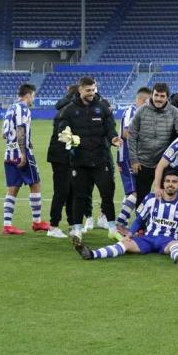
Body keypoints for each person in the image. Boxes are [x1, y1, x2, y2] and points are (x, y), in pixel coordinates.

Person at [72, 170, 178, 264]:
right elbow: (139, 219)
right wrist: (129, 234)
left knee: (175, 245)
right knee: (124, 244)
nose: (170, 184)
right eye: (167, 181)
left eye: (174, 182)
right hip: (147, 239)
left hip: (167, 241)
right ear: (163, 183)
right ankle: (92, 254)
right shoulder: (150, 198)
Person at [56, 77, 121, 240]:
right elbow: (61, 130)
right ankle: (77, 229)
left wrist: (113, 139)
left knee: (107, 194)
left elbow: (109, 128)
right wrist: (70, 138)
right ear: (80, 90)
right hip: (80, 161)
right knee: (80, 196)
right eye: (88, 90)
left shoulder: (102, 108)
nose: (91, 93)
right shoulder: (69, 110)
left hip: (100, 159)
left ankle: (112, 228)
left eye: (93, 90)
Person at [128, 82, 178, 206]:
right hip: (142, 163)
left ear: (167, 98)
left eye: (162, 96)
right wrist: (134, 160)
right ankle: (142, 225)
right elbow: (132, 135)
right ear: (152, 95)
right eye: (156, 95)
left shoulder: (174, 112)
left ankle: (162, 224)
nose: (158, 99)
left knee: (165, 197)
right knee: (141, 199)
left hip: (164, 163)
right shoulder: (141, 111)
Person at [1, 83, 50, 235]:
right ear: (28, 95)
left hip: (9, 154)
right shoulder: (23, 108)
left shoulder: (10, 108)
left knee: (13, 188)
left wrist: (24, 142)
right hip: (22, 153)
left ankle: (7, 225)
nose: (33, 99)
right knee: (35, 184)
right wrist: (23, 151)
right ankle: (37, 222)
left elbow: (4, 134)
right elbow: (21, 129)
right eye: (33, 96)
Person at [115, 87, 151, 234]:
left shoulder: (142, 112)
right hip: (128, 156)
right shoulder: (132, 111)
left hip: (136, 156)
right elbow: (126, 133)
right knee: (135, 192)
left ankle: (138, 224)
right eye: (150, 101)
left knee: (134, 192)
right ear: (143, 100)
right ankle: (120, 223)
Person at [46, 86, 78, 238]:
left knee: (71, 190)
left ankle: (72, 225)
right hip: (60, 156)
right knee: (62, 191)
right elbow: (62, 135)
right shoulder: (66, 112)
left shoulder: (68, 110)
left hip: (67, 156)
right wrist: (78, 141)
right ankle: (53, 226)